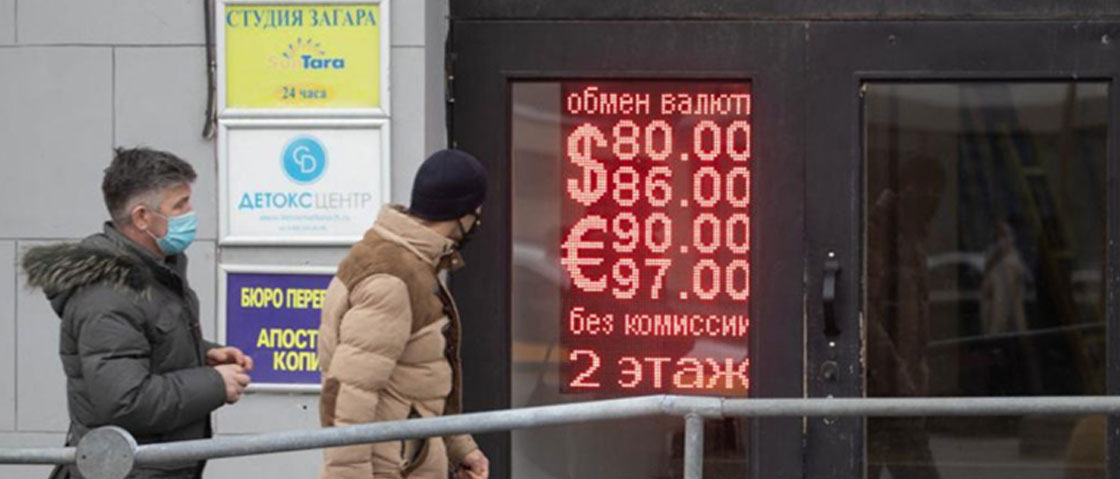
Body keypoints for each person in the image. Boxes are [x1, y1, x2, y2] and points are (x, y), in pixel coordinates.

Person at [21, 147, 253, 479]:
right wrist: (215, 384)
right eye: (180, 205)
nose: (191, 213)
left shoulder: (155, 273)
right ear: (142, 217)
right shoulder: (106, 295)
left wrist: (204, 354)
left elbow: (145, 344)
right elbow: (124, 400)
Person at [318, 149, 490, 479]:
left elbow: (417, 381)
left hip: (407, 459)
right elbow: (348, 396)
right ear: (462, 214)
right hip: (391, 468)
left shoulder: (403, 261)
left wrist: (458, 447)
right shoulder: (393, 279)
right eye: (477, 211)